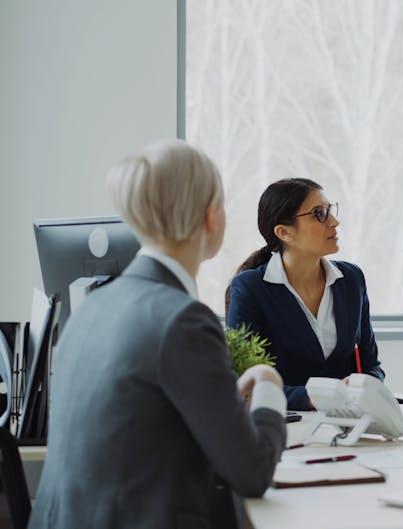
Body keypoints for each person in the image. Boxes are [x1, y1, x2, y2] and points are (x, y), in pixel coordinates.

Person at [29, 140, 287, 529]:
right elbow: (252, 472)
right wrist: (269, 385)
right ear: (210, 217)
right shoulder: (183, 320)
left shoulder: (91, 307)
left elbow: (144, 421)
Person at [227, 178, 384, 411]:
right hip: (285, 422)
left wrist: (362, 387)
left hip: (347, 420)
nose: (334, 221)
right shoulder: (250, 288)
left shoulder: (351, 279)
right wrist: (314, 397)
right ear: (284, 232)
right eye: (319, 213)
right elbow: (245, 382)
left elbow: (371, 366)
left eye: (330, 210)